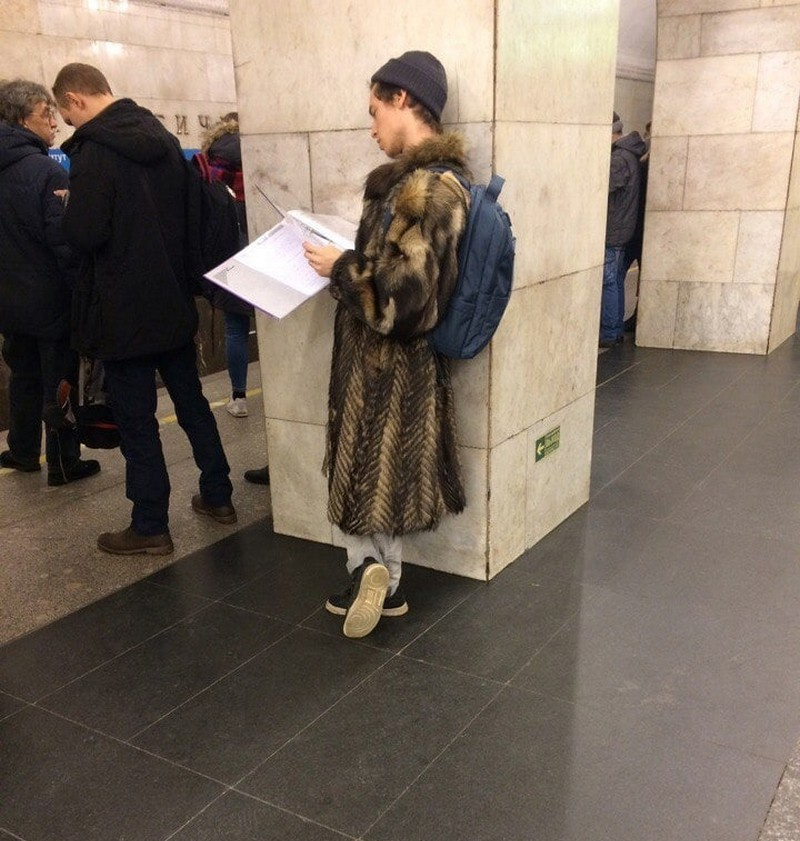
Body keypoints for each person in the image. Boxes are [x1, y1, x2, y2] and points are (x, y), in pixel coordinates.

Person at [303, 50, 469, 639]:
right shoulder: (410, 185)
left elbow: (402, 302)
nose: (371, 128)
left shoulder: (429, 191)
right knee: (382, 479)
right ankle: (383, 583)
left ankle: (367, 572)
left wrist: (340, 267)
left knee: (363, 474)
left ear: (402, 98)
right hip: (388, 365)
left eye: (375, 111)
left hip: (387, 365)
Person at [52, 63, 235, 555]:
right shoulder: (162, 139)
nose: (69, 124)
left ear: (75, 100)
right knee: (192, 403)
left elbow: (85, 233)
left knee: (137, 420)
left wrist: (70, 206)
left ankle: (150, 524)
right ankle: (218, 496)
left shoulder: (94, 151)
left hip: (123, 311)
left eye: (67, 115)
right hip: (172, 300)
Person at [0, 78, 100, 486]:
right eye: (46, 114)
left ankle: (23, 451)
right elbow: (65, 245)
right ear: (22, 119)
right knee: (59, 379)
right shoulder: (46, 171)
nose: (54, 123)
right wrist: (82, 297)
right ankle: (63, 462)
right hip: (50, 302)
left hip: (8, 303)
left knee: (22, 376)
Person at [193, 112, 254, 418]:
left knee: (235, 326)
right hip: (265, 241)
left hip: (233, 247)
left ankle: (239, 397)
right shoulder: (256, 148)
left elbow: (210, 202)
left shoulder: (217, 156)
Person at [600, 112, 646, 348]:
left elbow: (600, 188)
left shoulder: (619, 159)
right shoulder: (629, 155)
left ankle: (609, 332)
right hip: (623, 228)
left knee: (608, 281)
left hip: (615, 230)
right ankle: (614, 329)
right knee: (615, 279)